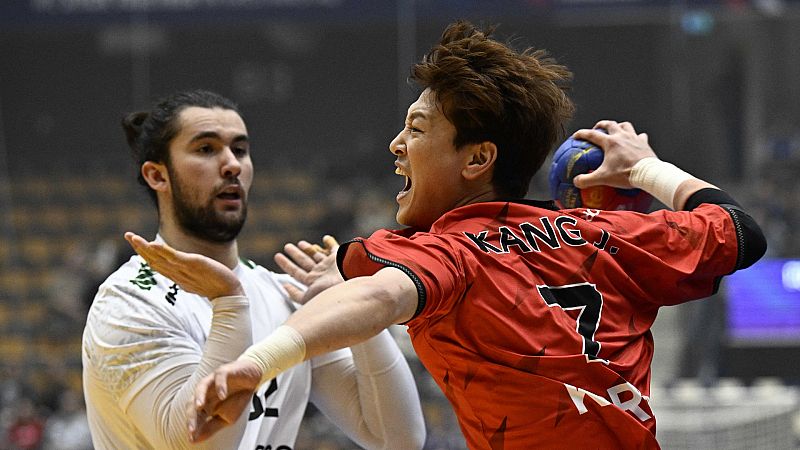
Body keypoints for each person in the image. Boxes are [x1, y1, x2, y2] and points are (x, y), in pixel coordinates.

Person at [127, 22, 767, 449]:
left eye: (417, 128)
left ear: (476, 158)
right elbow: (741, 231)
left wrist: (254, 362)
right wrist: (643, 167)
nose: (396, 146)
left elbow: (382, 300)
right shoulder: (608, 235)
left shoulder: (448, 250)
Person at [81, 89, 426, 450]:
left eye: (240, 150)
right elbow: (197, 445)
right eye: (206, 149)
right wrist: (229, 303)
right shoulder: (128, 302)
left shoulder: (284, 294)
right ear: (157, 175)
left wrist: (352, 304)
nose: (231, 164)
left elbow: (398, 439)